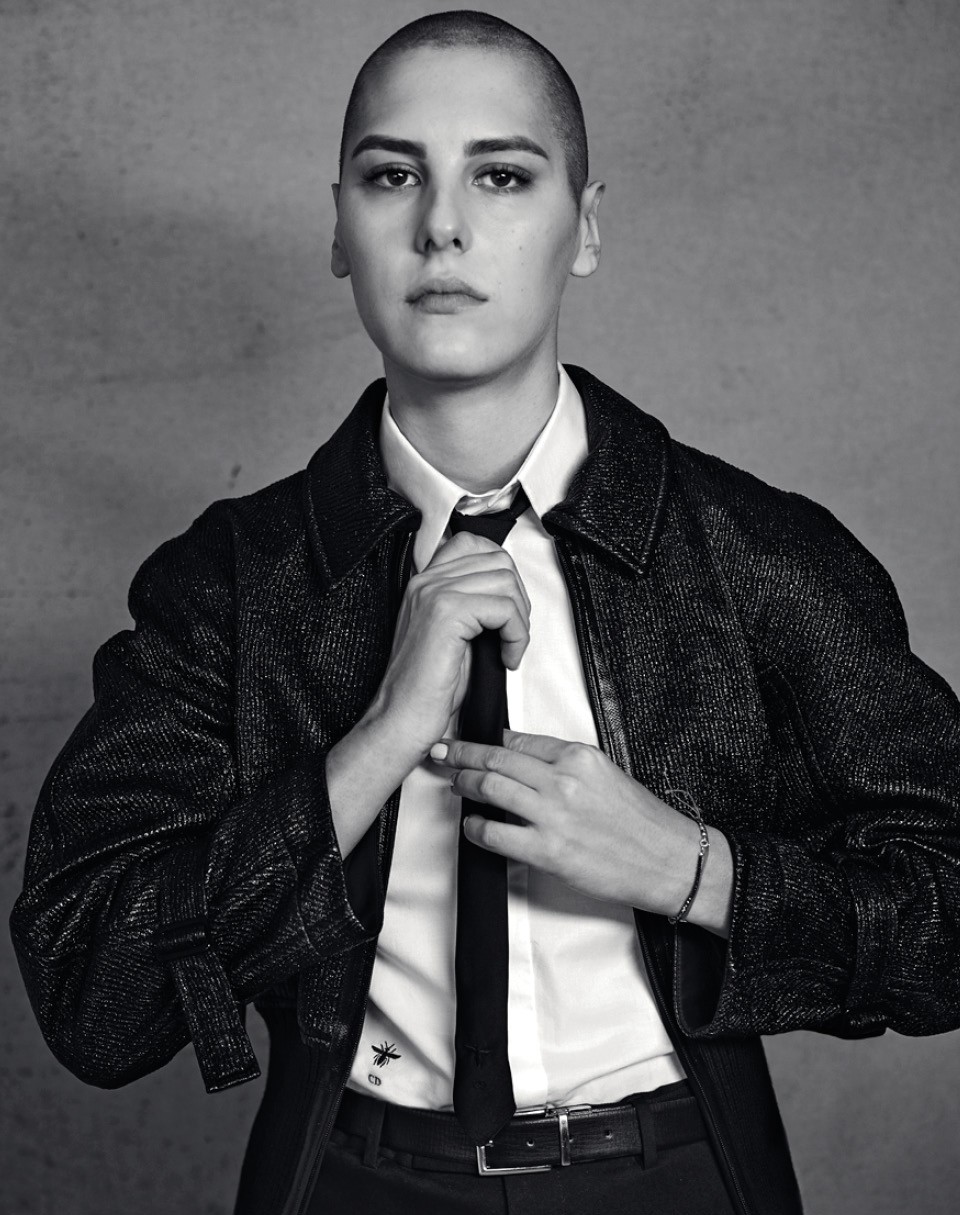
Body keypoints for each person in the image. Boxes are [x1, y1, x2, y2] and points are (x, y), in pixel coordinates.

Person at [10, 10, 960, 1215]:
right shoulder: (230, 586)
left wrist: (695, 871)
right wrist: (371, 750)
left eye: (502, 175)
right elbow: (92, 996)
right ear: (340, 228)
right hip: (353, 1180)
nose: (443, 225)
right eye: (391, 175)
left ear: (586, 226)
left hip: (675, 1179)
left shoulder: (757, 553)